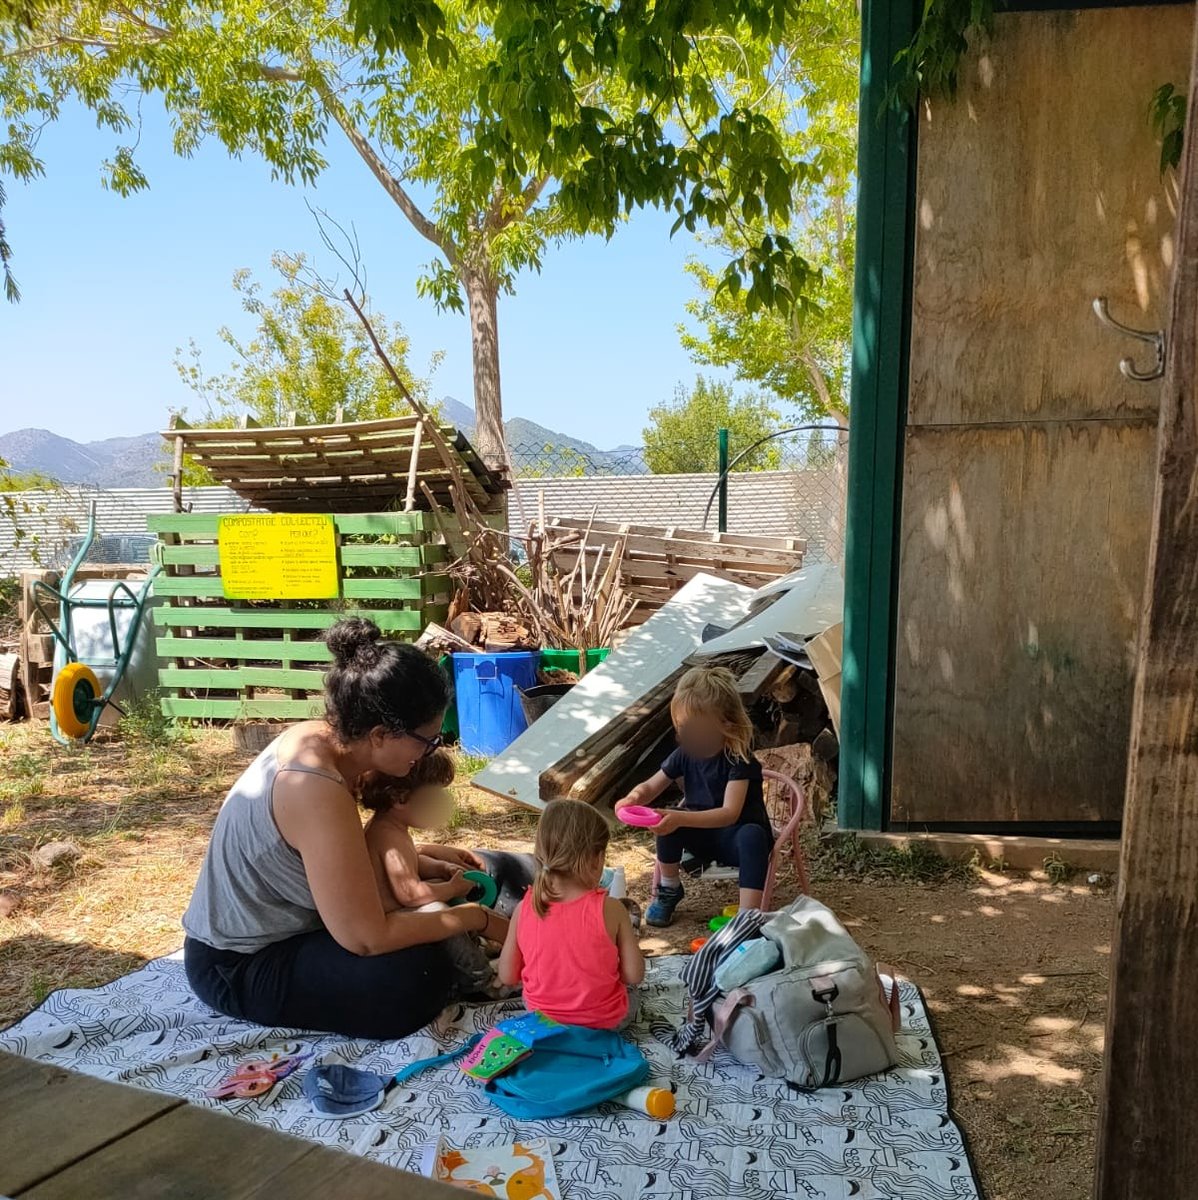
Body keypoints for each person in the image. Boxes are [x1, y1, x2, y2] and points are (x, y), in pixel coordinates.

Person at [182, 617, 509, 1041]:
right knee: (408, 978)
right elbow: (367, 938)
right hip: (239, 964)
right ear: (379, 734)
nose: (429, 753)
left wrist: (426, 856)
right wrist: (476, 918)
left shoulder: (325, 741)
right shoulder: (314, 788)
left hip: (306, 930)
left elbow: (347, 852)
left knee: (481, 878)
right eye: (426, 741)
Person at [615, 666, 772, 927]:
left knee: (752, 835)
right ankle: (669, 888)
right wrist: (632, 799)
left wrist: (680, 818)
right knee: (663, 821)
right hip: (703, 838)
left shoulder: (738, 759)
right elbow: (652, 786)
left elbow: (729, 813)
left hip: (735, 839)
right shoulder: (684, 755)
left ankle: (747, 916)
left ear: (726, 723)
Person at [359, 749, 501, 997]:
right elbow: (410, 894)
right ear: (400, 798)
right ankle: (480, 980)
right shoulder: (388, 836)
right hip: (394, 917)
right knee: (442, 914)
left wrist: (441, 868)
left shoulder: (392, 826)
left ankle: (474, 946)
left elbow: (411, 862)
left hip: (401, 908)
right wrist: (453, 889)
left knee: (438, 888)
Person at [497, 799, 644, 1030]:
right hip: (604, 1023)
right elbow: (634, 975)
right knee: (632, 992)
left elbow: (506, 976)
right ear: (597, 860)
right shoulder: (611, 908)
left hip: (543, 1022)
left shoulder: (524, 907)